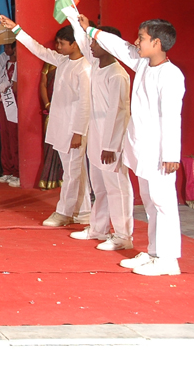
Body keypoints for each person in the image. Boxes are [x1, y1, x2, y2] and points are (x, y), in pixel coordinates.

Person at [79, 14, 185, 276]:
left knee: (163, 204)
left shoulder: (171, 75)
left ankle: (169, 260)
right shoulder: (144, 64)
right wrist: (90, 30)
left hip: (160, 152)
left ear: (157, 43)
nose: (136, 42)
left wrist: (171, 154)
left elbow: (172, 117)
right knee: (150, 202)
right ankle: (154, 252)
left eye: (142, 38)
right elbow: (119, 46)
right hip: (143, 148)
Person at [0, 17, 91, 227]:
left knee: (73, 172)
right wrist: (17, 29)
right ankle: (83, 211)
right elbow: (39, 50)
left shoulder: (84, 68)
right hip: (61, 125)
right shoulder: (63, 61)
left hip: (74, 129)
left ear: (75, 44)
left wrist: (79, 132)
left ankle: (64, 212)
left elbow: (85, 103)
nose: (58, 47)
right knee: (74, 172)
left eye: (62, 43)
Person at [64, 9, 133, 251]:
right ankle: (99, 228)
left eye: (95, 42)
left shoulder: (118, 75)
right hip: (95, 136)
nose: (90, 46)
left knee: (117, 188)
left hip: (110, 140)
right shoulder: (96, 64)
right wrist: (75, 19)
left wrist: (111, 145)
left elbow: (119, 113)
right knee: (99, 187)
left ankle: (123, 235)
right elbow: (82, 41)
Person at [0, 42, 20, 187]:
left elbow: (16, 87)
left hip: (15, 105)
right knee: (5, 138)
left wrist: (9, 87)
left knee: (14, 139)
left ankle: (17, 172)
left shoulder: (20, 66)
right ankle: (7, 170)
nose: (9, 51)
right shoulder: (5, 64)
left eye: (13, 49)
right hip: (4, 104)